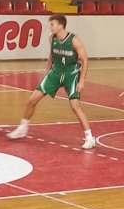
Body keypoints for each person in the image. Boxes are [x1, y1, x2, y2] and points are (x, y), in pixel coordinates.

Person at [7, 15, 95, 148]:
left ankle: (89, 138)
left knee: (75, 106)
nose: (50, 27)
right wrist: (47, 71)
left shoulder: (74, 40)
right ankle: (22, 128)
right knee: (32, 100)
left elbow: (85, 60)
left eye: (52, 24)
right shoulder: (52, 38)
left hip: (71, 75)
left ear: (60, 25)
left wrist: (82, 81)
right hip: (55, 73)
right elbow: (52, 55)